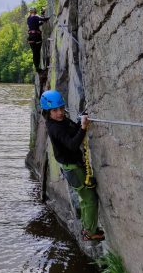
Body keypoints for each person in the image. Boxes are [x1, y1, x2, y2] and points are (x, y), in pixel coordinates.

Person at [40, 90, 105, 241]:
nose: (60, 113)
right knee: (90, 199)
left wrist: (81, 122)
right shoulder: (55, 127)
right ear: (47, 112)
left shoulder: (61, 121)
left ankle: (87, 227)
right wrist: (82, 127)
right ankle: (90, 232)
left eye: (61, 108)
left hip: (73, 166)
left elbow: (73, 130)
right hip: (72, 169)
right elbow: (72, 144)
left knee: (84, 198)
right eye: (55, 110)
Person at [27, 7, 49, 74]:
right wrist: (48, 17)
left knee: (34, 53)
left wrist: (42, 20)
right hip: (36, 37)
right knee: (37, 53)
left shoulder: (28, 18)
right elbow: (43, 19)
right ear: (35, 11)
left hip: (30, 37)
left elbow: (37, 24)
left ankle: (37, 68)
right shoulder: (35, 16)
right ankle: (38, 69)